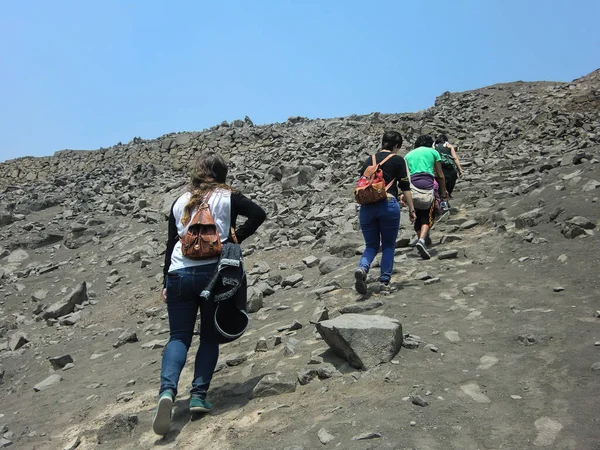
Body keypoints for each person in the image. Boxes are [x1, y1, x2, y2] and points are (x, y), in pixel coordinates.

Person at [153, 151, 266, 436]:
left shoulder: (180, 201)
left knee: (178, 336)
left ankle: (167, 393)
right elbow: (259, 214)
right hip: (215, 274)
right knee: (209, 336)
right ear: (222, 173)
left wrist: (166, 280)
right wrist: (235, 238)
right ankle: (198, 396)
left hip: (178, 273)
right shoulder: (228, 197)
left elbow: (170, 243)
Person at [354, 131, 416, 294]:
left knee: (371, 245)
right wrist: (411, 208)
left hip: (367, 207)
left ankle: (362, 268)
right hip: (388, 204)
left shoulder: (369, 160)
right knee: (388, 245)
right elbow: (405, 187)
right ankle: (384, 283)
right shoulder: (397, 160)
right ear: (396, 146)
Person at [404, 135, 448, 260]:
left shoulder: (408, 155)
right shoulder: (433, 152)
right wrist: (443, 194)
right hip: (428, 183)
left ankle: (420, 238)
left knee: (416, 213)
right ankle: (422, 240)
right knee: (428, 213)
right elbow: (440, 175)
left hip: (412, 186)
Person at [434, 134, 463, 201]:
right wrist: (460, 170)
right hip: (450, 170)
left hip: (439, 169)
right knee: (451, 181)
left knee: (439, 185)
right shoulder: (449, 146)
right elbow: (455, 158)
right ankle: (448, 195)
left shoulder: (434, 147)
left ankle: (440, 197)